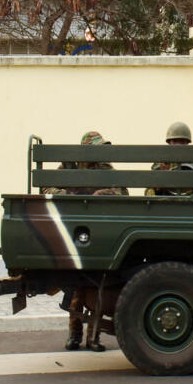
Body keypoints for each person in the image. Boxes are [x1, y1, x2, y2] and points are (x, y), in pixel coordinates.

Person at [43, 130, 123, 351]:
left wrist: (101, 195)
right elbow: (47, 187)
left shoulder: (105, 169)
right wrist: (71, 198)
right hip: (72, 231)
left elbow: (120, 191)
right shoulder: (69, 167)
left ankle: (93, 337)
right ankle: (74, 335)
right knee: (75, 290)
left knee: (97, 289)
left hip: (98, 231)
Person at [145, 121, 193, 196]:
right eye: (174, 141)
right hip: (166, 200)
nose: (178, 145)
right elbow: (149, 191)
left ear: (187, 143)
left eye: (182, 141)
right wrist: (160, 180)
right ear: (169, 143)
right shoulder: (162, 162)